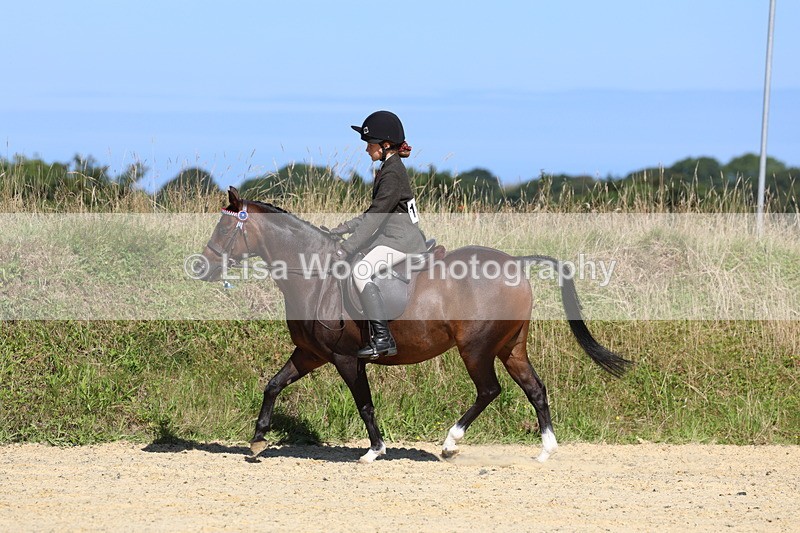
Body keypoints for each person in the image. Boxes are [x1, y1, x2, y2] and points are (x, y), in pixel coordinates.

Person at [329, 110, 427, 358]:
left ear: (385, 145)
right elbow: (374, 211)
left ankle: (383, 338)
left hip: (400, 241)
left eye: (369, 145)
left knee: (361, 272)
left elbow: (375, 218)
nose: (366, 150)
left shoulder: (392, 173)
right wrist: (343, 228)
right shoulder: (389, 167)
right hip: (392, 236)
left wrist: (346, 248)